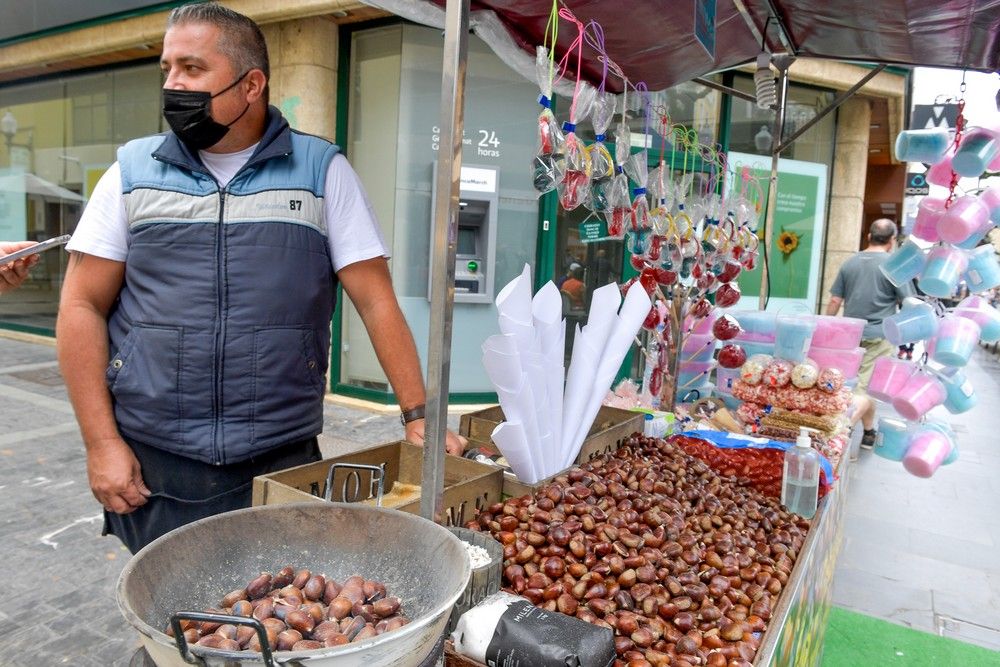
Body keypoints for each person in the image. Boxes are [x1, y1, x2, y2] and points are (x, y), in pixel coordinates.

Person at [56, 2, 465, 554]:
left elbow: (375, 300)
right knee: (176, 617)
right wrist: (100, 443)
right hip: (155, 457)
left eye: (192, 69)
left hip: (281, 453)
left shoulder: (321, 172)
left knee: (286, 614)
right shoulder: (131, 172)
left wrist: (417, 416)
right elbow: (81, 305)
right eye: (167, 69)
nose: (173, 84)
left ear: (251, 85)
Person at [825, 218, 913, 449]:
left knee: (862, 386)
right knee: (864, 389)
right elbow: (909, 302)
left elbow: (835, 300)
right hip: (880, 336)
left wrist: (825, 326)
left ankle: (869, 432)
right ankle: (838, 434)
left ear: (868, 236)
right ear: (892, 240)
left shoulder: (850, 263)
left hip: (850, 336)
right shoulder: (894, 265)